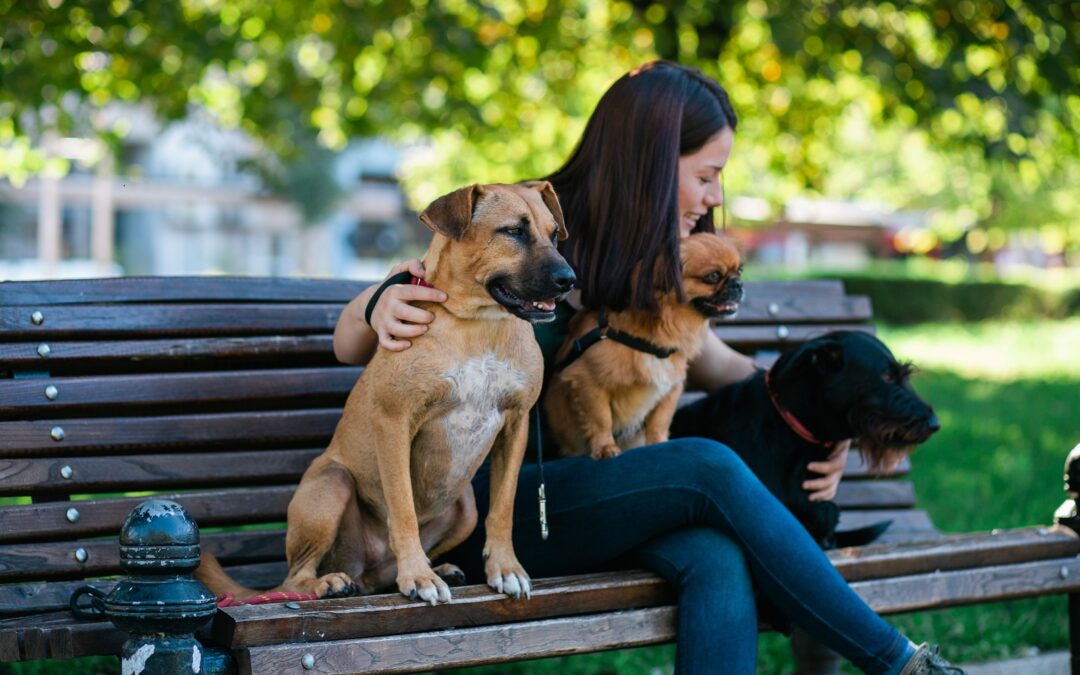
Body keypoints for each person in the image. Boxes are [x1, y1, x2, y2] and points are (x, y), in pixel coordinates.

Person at [332, 61, 962, 675]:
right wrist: (380, 301)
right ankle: (901, 664)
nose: (715, 195)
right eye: (708, 174)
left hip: (591, 501)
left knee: (714, 556)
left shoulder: (653, 254)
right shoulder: (521, 218)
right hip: (482, 514)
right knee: (704, 464)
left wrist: (822, 430)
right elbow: (360, 329)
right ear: (655, 164)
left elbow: (721, 366)